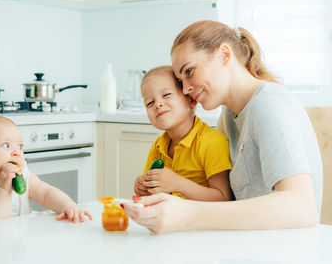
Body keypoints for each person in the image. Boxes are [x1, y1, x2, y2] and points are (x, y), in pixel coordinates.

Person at [122, 20, 323, 234]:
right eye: (181, 81)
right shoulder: (229, 115)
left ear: (224, 55)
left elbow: (302, 208)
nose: (187, 89)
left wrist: (187, 213)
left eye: (189, 71)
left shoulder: (269, 105)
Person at [0, 114, 92, 227]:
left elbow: (46, 193)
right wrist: (4, 189)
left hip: (15, 249)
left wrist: (69, 206)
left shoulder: (24, 177)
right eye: (6, 145)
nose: (16, 153)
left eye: (20, 146)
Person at [134, 65, 232, 201]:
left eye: (166, 95)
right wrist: (144, 189)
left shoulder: (212, 142)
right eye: (150, 103)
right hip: (172, 219)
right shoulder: (158, 146)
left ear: (191, 99)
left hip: (201, 220)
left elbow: (223, 198)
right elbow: (155, 193)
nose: (158, 104)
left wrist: (178, 184)